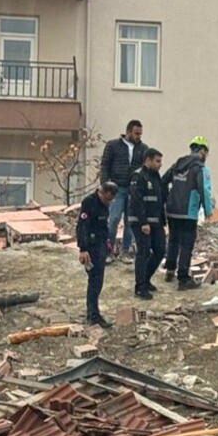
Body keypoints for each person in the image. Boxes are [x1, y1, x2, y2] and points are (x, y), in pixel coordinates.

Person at [162, 137, 213, 291]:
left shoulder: (177, 164)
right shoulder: (199, 168)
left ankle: (170, 270)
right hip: (188, 211)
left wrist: (168, 199)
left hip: (172, 210)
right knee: (186, 244)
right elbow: (204, 189)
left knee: (173, 239)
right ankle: (183, 278)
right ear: (202, 150)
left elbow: (163, 181)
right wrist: (208, 210)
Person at [99, 119, 146, 260]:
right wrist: (105, 185)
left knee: (130, 222)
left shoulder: (143, 148)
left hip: (133, 189)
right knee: (113, 219)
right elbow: (105, 166)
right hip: (116, 188)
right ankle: (108, 250)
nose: (139, 136)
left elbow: (143, 170)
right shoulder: (113, 145)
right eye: (136, 133)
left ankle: (125, 251)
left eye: (140, 134)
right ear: (128, 132)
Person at [76, 181, 117, 328]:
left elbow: (103, 225)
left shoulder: (104, 205)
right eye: (107, 198)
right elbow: (82, 226)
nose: (108, 202)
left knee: (98, 282)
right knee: (94, 281)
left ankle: (94, 313)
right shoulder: (89, 202)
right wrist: (83, 248)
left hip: (101, 245)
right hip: (90, 247)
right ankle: (93, 315)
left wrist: (107, 242)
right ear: (102, 192)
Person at [127, 148, 166, 300]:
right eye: (157, 161)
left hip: (156, 222)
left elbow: (159, 199)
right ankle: (140, 287)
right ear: (148, 160)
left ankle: (146, 278)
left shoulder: (155, 176)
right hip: (141, 222)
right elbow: (136, 200)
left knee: (160, 250)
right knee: (143, 252)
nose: (160, 164)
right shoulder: (138, 176)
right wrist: (143, 222)